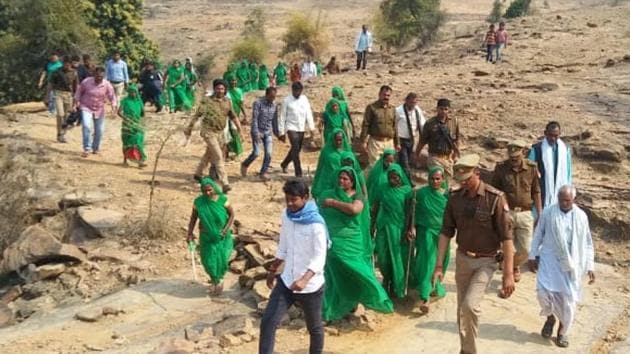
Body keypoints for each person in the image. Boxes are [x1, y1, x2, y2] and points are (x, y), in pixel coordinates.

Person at [432, 154, 515, 354]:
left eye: (468, 179)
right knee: (462, 309)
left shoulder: (495, 199)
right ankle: (466, 349)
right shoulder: (454, 198)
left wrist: (508, 274)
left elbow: (506, 238)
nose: (464, 184)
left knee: (470, 306)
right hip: (462, 259)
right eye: (460, 180)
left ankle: (470, 351)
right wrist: (439, 266)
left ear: (477, 173)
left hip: (486, 261)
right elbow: (445, 232)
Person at [260, 179, 327, 354]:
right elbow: (284, 245)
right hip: (287, 281)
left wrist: (305, 279)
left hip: (310, 286)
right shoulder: (286, 215)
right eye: (287, 199)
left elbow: (320, 257)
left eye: (293, 200)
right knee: (268, 321)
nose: (289, 203)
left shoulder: (316, 225)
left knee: (314, 327)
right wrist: (273, 268)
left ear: (305, 198)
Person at [319, 167, 394, 321]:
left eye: (345, 179)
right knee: (334, 274)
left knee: (358, 270)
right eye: (340, 178)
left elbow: (354, 210)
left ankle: (378, 298)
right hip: (334, 240)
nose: (341, 181)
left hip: (351, 240)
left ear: (352, 182)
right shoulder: (328, 194)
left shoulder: (357, 196)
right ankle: (333, 309)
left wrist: (333, 203)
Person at [528, 185, 595, 348]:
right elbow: (538, 234)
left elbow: (587, 242)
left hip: (572, 265)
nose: (564, 203)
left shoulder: (581, 217)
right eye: (562, 200)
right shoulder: (549, 212)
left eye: (568, 200)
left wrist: (590, 265)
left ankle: (562, 332)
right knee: (542, 294)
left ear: (574, 200)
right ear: (558, 198)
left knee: (568, 302)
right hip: (549, 261)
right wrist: (532, 255)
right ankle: (550, 318)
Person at [492, 140, 542, 282]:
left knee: (526, 249)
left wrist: (540, 212)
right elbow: (495, 191)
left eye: (516, 157)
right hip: (507, 212)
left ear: (523, 154)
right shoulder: (501, 168)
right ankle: (511, 271)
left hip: (526, 213)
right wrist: (498, 212)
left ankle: (512, 264)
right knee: (509, 246)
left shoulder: (532, 168)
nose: (513, 160)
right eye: (511, 157)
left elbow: (536, 191)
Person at [184, 79, 242, 192]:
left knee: (209, 154)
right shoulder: (207, 101)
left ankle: (198, 173)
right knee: (219, 156)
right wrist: (189, 128)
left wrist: (239, 130)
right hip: (208, 132)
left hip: (220, 133)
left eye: (222, 89)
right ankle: (224, 182)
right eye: (218, 88)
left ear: (225, 90)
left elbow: (233, 116)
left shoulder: (228, 102)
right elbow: (197, 115)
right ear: (214, 89)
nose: (220, 91)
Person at [407, 166, 449, 313]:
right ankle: (425, 297)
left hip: (443, 234)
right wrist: (411, 227)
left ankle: (434, 287)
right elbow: (412, 211)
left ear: (442, 179)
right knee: (428, 263)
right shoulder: (421, 194)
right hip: (425, 233)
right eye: (432, 178)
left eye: (438, 178)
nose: (434, 181)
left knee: (440, 262)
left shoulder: (447, 195)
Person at [186, 177, 235, 295]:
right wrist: (189, 233)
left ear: (214, 188)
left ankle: (218, 280)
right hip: (206, 237)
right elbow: (193, 218)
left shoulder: (223, 200)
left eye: (209, 190)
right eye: (205, 191)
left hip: (222, 237)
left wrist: (225, 230)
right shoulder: (199, 202)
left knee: (222, 259)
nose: (207, 193)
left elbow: (232, 215)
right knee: (207, 260)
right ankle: (215, 279)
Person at [372, 164, 413, 299]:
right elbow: (376, 208)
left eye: (395, 177)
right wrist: (372, 227)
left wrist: (408, 229)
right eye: (390, 177)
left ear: (400, 177)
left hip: (399, 228)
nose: (392, 180)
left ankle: (398, 286)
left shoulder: (407, 191)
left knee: (397, 257)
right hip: (384, 227)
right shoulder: (382, 189)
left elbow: (409, 212)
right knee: (383, 257)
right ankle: (386, 278)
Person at [528, 121, 572, 210]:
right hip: (540, 192)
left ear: (560, 134)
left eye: (556, 136)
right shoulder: (536, 149)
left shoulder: (565, 149)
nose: (553, 138)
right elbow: (529, 171)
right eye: (550, 135)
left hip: (560, 191)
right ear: (545, 133)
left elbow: (568, 172)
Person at [74, 67, 117, 158]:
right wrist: (76, 102)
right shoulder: (86, 82)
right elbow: (79, 92)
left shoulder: (107, 84)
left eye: (101, 76)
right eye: (97, 76)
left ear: (104, 76)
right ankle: (87, 148)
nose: (99, 78)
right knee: (86, 126)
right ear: (94, 75)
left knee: (99, 130)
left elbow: (112, 96)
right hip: (86, 107)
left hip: (99, 109)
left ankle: (96, 148)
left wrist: (113, 106)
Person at [278, 81, 315, 177]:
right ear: (292, 90)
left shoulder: (304, 99)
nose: (297, 93)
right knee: (295, 147)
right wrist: (281, 132)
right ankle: (298, 172)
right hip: (291, 127)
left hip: (301, 127)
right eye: (295, 91)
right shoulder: (287, 100)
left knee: (296, 150)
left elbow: (308, 113)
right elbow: (282, 116)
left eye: (299, 91)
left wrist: (312, 128)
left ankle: (284, 163)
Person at [416, 98, 459, 179]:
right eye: (441, 109)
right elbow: (422, 141)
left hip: (448, 158)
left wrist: (455, 155)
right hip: (434, 157)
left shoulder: (453, 122)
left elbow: (456, 139)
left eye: (446, 109)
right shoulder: (430, 123)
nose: (443, 111)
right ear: (437, 109)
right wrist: (417, 154)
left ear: (449, 110)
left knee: (447, 182)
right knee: (436, 179)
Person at [241, 87, 278, 180]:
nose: (273, 99)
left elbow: (275, 120)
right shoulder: (258, 103)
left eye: (274, 97)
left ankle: (263, 172)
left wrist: (277, 132)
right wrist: (256, 133)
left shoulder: (274, 105)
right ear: (266, 95)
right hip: (258, 131)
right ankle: (245, 164)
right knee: (256, 152)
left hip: (268, 132)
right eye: (271, 97)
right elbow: (255, 119)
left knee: (269, 153)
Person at [360, 85, 397, 167]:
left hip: (389, 142)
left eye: (388, 95)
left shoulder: (392, 109)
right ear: (379, 94)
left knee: (389, 166)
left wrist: (397, 143)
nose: (386, 97)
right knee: (375, 166)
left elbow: (395, 127)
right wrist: (363, 141)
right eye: (384, 95)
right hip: (375, 142)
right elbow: (366, 124)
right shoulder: (372, 108)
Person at [311, 128, 352, 199]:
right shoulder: (326, 152)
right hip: (327, 183)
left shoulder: (347, 152)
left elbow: (354, 171)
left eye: (340, 140)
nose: (338, 142)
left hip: (342, 183)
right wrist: (315, 187)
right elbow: (320, 169)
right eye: (336, 140)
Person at [395, 92, 426, 179]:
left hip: (411, 140)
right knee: (404, 162)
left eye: (415, 103)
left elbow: (422, 123)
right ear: (406, 101)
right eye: (411, 102)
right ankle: (408, 181)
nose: (413, 104)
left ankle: (401, 179)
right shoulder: (398, 111)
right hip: (401, 140)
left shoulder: (417, 110)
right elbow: (394, 125)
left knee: (407, 161)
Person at [49, 57, 79, 143]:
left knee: (66, 116)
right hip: (58, 93)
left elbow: (76, 86)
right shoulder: (57, 72)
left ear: (71, 64)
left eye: (69, 64)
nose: (67, 66)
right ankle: (59, 133)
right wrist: (48, 95)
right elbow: (51, 84)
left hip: (69, 95)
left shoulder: (74, 73)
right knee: (60, 114)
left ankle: (62, 134)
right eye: (65, 64)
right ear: (63, 63)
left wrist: (76, 98)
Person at [117, 84, 147, 167]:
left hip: (137, 124)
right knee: (126, 142)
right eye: (132, 92)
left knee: (138, 142)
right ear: (129, 93)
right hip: (127, 125)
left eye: (135, 92)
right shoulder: (125, 101)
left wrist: (142, 122)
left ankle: (140, 161)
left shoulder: (139, 101)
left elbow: (143, 113)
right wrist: (126, 118)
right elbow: (119, 112)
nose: (134, 94)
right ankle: (125, 160)